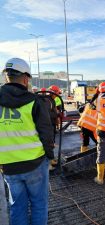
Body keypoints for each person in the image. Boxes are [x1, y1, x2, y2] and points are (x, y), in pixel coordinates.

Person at [0, 58, 54, 225]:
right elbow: (46, 133)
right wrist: (50, 157)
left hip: (8, 166)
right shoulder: (34, 101)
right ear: (25, 78)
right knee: (38, 205)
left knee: (17, 206)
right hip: (35, 164)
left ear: (6, 77)